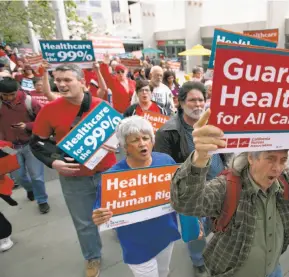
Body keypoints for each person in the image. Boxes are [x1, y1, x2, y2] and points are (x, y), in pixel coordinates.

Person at [170, 108, 289, 277]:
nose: (277, 168)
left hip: (273, 269)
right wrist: (200, 157)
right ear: (251, 157)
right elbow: (185, 203)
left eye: (283, 160)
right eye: (270, 158)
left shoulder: (287, 181)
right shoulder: (227, 187)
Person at [30, 64, 117, 277]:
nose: (61, 84)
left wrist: (119, 142)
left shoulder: (101, 106)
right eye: (58, 80)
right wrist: (53, 162)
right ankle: (92, 257)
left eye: (67, 80)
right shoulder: (49, 110)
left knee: (119, 214)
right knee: (84, 222)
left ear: (82, 83)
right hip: (74, 178)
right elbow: (37, 143)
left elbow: (121, 135)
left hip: (109, 172)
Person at [154, 81, 229, 277]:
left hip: (219, 184)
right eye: (192, 100)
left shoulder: (213, 122)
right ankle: (198, 259)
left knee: (218, 222)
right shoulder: (167, 132)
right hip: (191, 192)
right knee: (195, 231)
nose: (198, 105)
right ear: (180, 103)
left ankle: (213, 247)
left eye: (201, 100)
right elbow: (162, 167)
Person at [92, 116, 181, 277]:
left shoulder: (166, 161)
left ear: (152, 141)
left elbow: (179, 192)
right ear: (125, 147)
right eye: (135, 140)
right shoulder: (112, 176)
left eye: (146, 138)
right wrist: (99, 215)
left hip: (165, 235)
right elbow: (100, 209)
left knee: (164, 272)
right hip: (136, 245)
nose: (142, 143)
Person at [0, 77, 49, 214]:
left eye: (12, 94)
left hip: (30, 144)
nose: (8, 98)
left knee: (36, 176)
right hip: (9, 148)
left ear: (17, 91)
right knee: (19, 176)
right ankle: (30, 189)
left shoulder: (29, 101)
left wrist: (27, 126)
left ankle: (42, 200)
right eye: (5, 95)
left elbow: (44, 120)